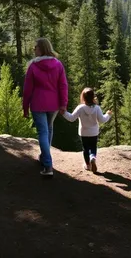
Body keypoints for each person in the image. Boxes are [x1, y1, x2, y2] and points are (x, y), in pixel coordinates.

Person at [23, 38, 68, 177]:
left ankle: (48, 166)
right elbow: (63, 85)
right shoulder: (58, 65)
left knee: (43, 132)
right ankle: (44, 157)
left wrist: (25, 107)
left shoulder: (33, 66)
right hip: (53, 104)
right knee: (48, 130)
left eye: (35, 47)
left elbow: (27, 90)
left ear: (41, 48)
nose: (34, 50)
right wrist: (63, 104)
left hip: (38, 104)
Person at [60, 87, 111, 173]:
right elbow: (102, 120)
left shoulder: (80, 108)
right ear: (93, 97)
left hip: (83, 132)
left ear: (83, 97)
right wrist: (108, 115)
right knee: (93, 147)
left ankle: (87, 165)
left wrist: (64, 113)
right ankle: (93, 157)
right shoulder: (97, 108)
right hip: (94, 132)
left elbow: (72, 118)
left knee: (85, 149)